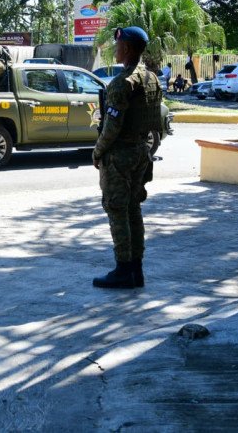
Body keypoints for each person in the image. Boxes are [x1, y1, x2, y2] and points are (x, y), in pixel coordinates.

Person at [91, 26, 163, 289]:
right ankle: (136, 270)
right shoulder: (151, 78)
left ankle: (123, 270)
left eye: (119, 45)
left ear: (128, 49)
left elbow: (112, 126)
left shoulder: (122, 82)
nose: (116, 50)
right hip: (141, 152)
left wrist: (97, 152)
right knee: (133, 209)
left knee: (117, 210)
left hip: (120, 156)